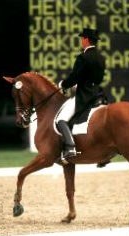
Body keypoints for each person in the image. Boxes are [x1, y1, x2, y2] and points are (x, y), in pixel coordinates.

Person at [55, 28, 106, 163]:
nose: (81, 41)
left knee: (61, 119)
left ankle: (70, 147)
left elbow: (74, 77)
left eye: (82, 38)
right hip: (98, 93)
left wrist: (63, 85)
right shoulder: (101, 57)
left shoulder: (83, 57)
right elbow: (98, 79)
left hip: (85, 95)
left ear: (86, 40)